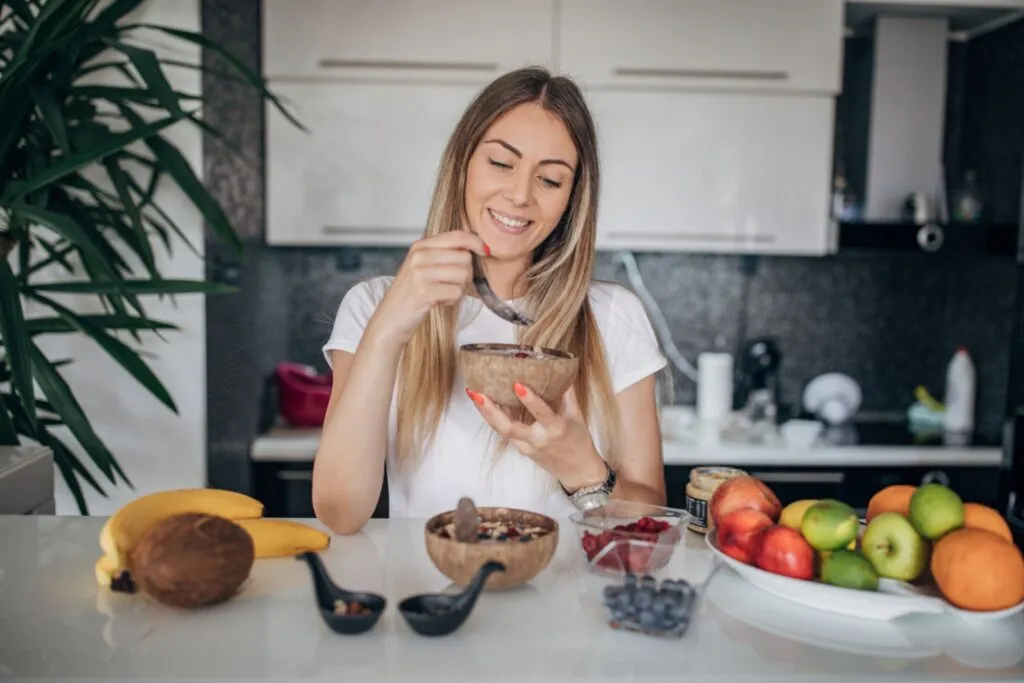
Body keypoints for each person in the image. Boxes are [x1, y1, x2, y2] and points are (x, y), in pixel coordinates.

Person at [312, 66, 669, 535]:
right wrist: (387, 331)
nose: (519, 195)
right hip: (432, 597)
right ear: (462, 163)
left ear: (571, 199)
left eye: (551, 180)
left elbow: (653, 524)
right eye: (501, 163)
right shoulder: (373, 305)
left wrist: (582, 469)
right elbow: (340, 512)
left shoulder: (614, 316)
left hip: (566, 603)